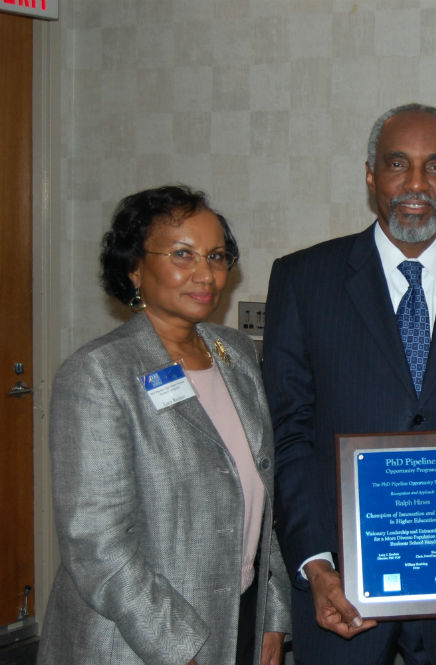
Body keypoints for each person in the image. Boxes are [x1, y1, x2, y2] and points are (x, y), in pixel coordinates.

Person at [263, 103, 436, 665]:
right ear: (370, 175)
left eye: (435, 167)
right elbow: (290, 438)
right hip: (341, 594)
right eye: (397, 164)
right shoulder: (302, 280)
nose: (416, 184)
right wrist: (314, 565)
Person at [38, 185, 291, 665]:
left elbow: (265, 499)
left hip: (238, 617)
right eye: (183, 254)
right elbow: (96, 543)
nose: (206, 273)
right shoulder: (99, 373)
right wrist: (176, 646)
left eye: (217, 256)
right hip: (135, 640)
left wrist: (273, 618)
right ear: (134, 266)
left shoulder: (235, 355)